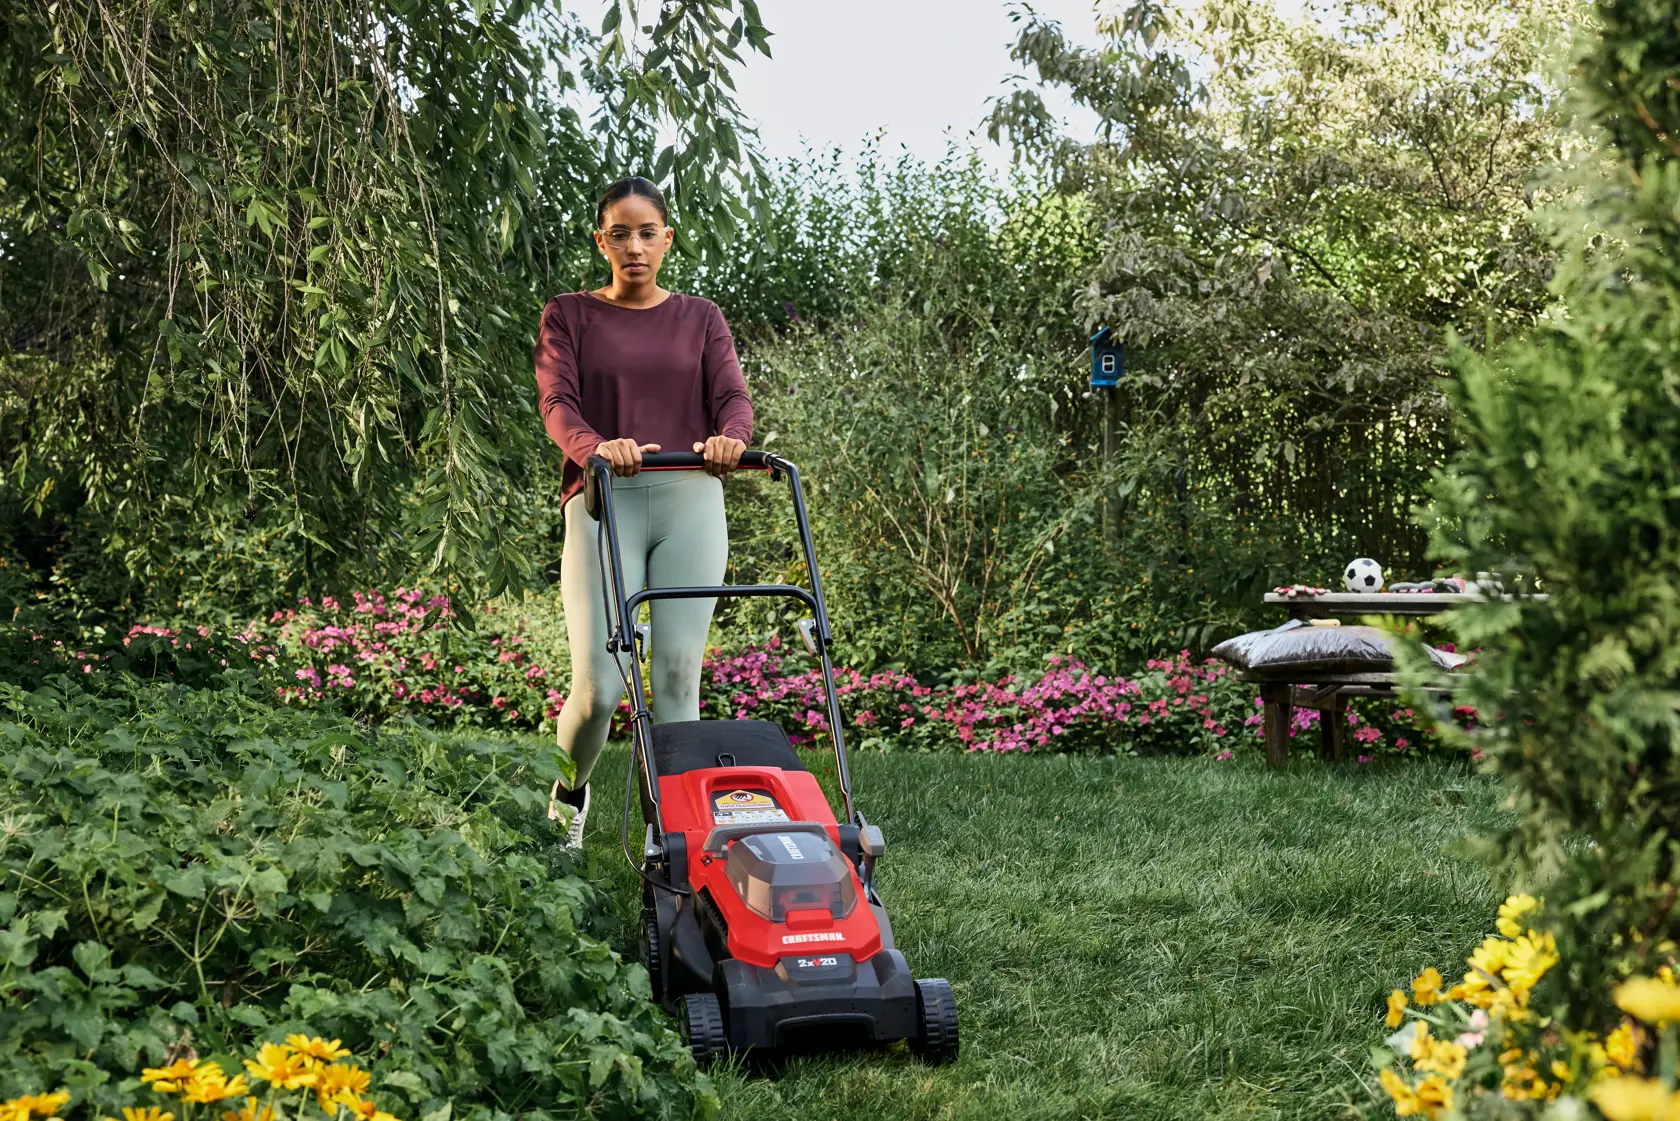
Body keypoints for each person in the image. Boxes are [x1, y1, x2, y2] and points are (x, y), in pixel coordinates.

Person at [532, 176, 753, 848]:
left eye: (647, 232)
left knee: (678, 676)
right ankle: (569, 799)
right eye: (620, 233)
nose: (634, 246)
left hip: (690, 499)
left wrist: (730, 441)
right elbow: (557, 405)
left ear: (667, 239)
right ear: (601, 241)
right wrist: (598, 447)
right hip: (603, 503)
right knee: (599, 686)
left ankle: (674, 836)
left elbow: (734, 402)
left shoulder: (701, 318)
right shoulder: (568, 315)